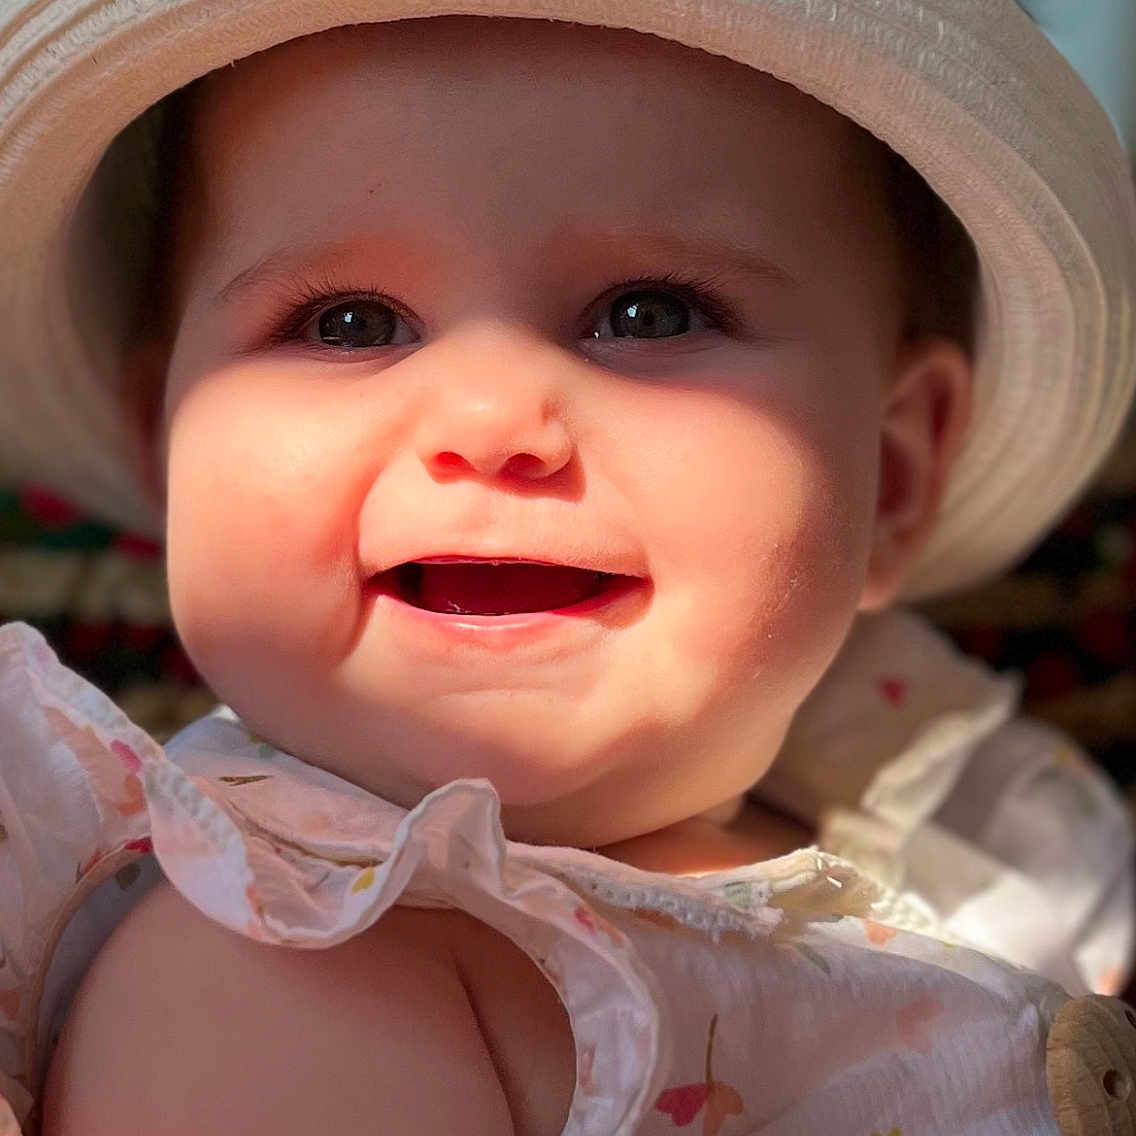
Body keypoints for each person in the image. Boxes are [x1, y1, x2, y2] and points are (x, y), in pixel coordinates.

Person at [0, 3, 1134, 1133]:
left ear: (887, 473)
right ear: (168, 447)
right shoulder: (268, 968)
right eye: (349, 322)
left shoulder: (959, 821)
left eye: (647, 312)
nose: (493, 419)